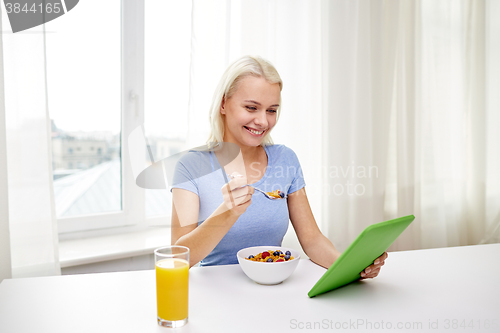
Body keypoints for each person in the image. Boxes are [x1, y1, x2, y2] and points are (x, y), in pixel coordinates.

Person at [170, 55, 386, 279]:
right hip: (215, 296)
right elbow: (177, 259)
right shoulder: (191, 166)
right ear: (224, 104)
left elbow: (312, 240)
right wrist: (227, 213)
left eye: (271, 110)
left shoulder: (285, 159)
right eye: (252, 108)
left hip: (274, 291)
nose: (263, 122)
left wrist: (351, 266)